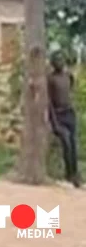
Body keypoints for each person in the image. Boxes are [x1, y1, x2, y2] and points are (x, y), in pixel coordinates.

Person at [47, 50, 81, 188]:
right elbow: (49, 102)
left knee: (73, 145)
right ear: (52, 63)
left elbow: (70, 91)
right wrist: (54, 122)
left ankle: (75, 175)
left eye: (61, 60)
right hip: (58, 115)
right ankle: (68, 174)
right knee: (66, 142)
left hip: (69, 113)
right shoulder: (50, 79)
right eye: (56, 60)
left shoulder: (68, 76)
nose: (59, 63)